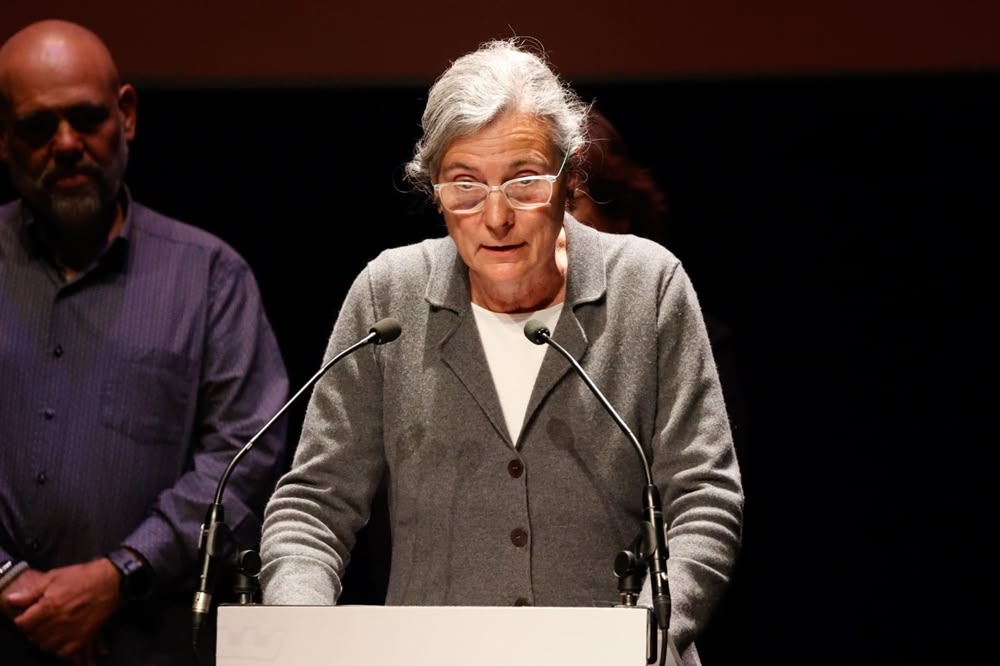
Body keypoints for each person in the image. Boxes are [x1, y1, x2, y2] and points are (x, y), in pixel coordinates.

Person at [258, 37, 743, 665]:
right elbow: (312, 509)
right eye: (465, 184)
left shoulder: (648, 286)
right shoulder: (388, 294)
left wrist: (648, 635)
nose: (495, 217)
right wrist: (302, 636)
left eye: (523, 182)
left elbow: (704, 496)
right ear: (434, 190)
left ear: (570, 179)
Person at [0, 19, 290, 665]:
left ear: (126, 115)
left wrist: (120, 573)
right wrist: (9, 583)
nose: (67, 144)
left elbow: (247, 455)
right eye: (37, 127)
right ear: (3, 138)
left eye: (86, 117)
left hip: (149, 643)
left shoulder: (210, 277)